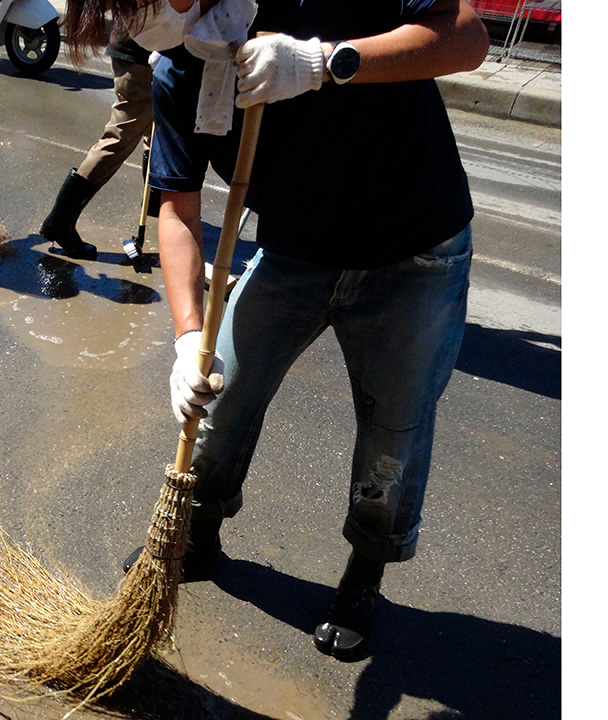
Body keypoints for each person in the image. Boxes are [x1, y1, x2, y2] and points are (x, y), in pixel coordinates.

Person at [144, 0, 489, 661]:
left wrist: (325, 62)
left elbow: (466, 37)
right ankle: (201, 530)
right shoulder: (181, 72)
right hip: (295, 251)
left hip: (413, 252)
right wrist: (189, 337)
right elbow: (178, 210)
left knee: (393, 431)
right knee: (223, 390)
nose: (139, 30)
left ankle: (365, 572)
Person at [39, 1, 191, 259]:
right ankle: (60, 221)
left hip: (141, 45)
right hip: (141, 53)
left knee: (153, 130)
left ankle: (155, 203)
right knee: (119, 137)